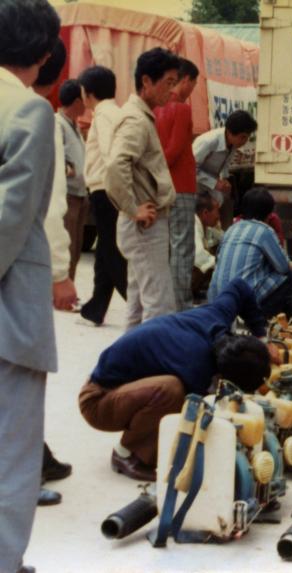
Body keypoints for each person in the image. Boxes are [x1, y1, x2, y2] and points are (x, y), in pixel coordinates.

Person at [78, 279, 269, 481]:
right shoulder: (195, 367)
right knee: (172, 391)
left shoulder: (217, 317)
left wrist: (261, 336)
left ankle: (144, 444)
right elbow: (200, 413)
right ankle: (127, 453)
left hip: (122, 385)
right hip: (97, 400)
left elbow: (239, 286)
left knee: (175, 392)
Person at [0, 2, 61, 571]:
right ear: (44, 55)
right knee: (11, 454)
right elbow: (10, 220)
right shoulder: (27, 111)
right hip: (8, 319)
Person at [106, 47, 180, 329]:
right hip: (144, 226)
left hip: (141, 225)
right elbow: (116, 164)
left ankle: (126, 370)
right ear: (146, 81)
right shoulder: (136, 120)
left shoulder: (140, 116)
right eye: (169, 82)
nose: (172, 91)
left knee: (137, 309)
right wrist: (132, 207)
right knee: (159, 307)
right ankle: (150, 369)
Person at [32, 37, 76, 510]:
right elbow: (48, 204)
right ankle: (23, 474)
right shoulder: (35, 114)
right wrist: (60, 273)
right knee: (20, 379)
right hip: (16, 268)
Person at [78, 65, 127, 326]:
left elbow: (111, 155)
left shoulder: (105, 114)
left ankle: (136, 301)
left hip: (104, 189)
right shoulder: (110, 111)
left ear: (89, 92)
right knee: (104, 250)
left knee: (110, 250)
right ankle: (96, 307)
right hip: (105, 189)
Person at [209, 188, 292, 318]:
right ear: (269, 213)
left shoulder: (231, 229)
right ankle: (261, 319)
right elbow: (283, 267)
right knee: (290, 275)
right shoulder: (264, 231)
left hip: (217, 300)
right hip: (243, 302)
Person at [156, 57, 199, 311]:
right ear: (186, 80)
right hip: (181, 185)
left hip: (161, 186)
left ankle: (164, 301)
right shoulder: (182, 109)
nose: (192, 89)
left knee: (165, 247)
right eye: (193, 84)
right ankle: (181, 304)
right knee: (183, 248)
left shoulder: (156, 107)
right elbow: (174, 150)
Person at [193, 110, 258, 229]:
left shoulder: (232, 144)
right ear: (229, 132)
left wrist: (224, 181)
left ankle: (226, 234)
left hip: (209, 187)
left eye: (247, 138)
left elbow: (224, 168)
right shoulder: (208, 142)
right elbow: (190, 168)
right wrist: (215, 183)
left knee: (227, 200)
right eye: (242, 137)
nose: (244, 142)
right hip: (193, 187)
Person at [56, 79, 88, 282]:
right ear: (77, 101)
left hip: (80, 194)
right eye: (84, 99)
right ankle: (62, 290)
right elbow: (55, 156)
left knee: (76, 246)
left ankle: (70, 289)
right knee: (67, 246)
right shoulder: (58, 124)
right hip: (67, 195)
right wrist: (69, 169)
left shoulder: (74, 126)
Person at [193, 192, 223, 301]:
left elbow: (222, 236)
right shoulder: (194, 224)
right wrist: (222, 266)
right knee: (211, 262)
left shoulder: (206, 226)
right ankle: (191, 292)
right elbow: (198, 256)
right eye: (217, 211)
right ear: (205, 213)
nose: (218, 216)